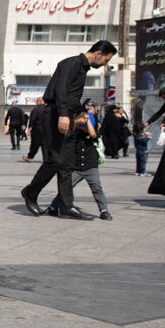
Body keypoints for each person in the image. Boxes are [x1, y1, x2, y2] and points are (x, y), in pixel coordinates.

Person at [20, 40, 117, 219]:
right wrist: (64, 114)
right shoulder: (72, 63)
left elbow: (72, 96)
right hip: (54, 115)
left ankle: (66, 206)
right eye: (106, 60)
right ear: (98, 54)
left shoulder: (82, 69)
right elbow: (61, 90)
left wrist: (80, 112)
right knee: (55, 160)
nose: (105, 64)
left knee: (66, 164)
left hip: (67, 115)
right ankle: (30, 192)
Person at [45, 107, 112, 220]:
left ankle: (104, 210)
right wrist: (76, 121)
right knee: (66, 188)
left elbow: (93, 134)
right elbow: (69, 132)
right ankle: (53, 207)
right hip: (75, 166)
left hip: (90, 165)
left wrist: (88, 121)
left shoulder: (91, 131)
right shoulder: (73, 131)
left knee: (96, 188)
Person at [22, 97, 47, 162]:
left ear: (39, 102)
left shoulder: (36, 110)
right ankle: (46, 159)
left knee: (35, 144)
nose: (36, 102)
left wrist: (30, 127)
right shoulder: (48, 109)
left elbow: (32, 119)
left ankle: (30, 157)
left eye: (36, 101)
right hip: (47, 129)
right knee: (45, 144)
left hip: (37, 128)